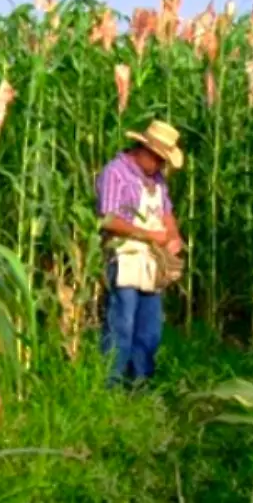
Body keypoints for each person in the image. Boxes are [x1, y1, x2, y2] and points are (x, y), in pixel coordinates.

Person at [95, 119, 184, 386]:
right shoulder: (116, 173)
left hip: (152, 263)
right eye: (158, 159)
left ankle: (140, 384)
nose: (160, 165)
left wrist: (174, 237)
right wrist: (148, 235)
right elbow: (108, 220)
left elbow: (166, 212)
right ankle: (111, 387)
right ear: (143, 149)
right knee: (122, 324)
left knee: (149, 329)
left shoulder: (156, 179)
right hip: (125, 258)